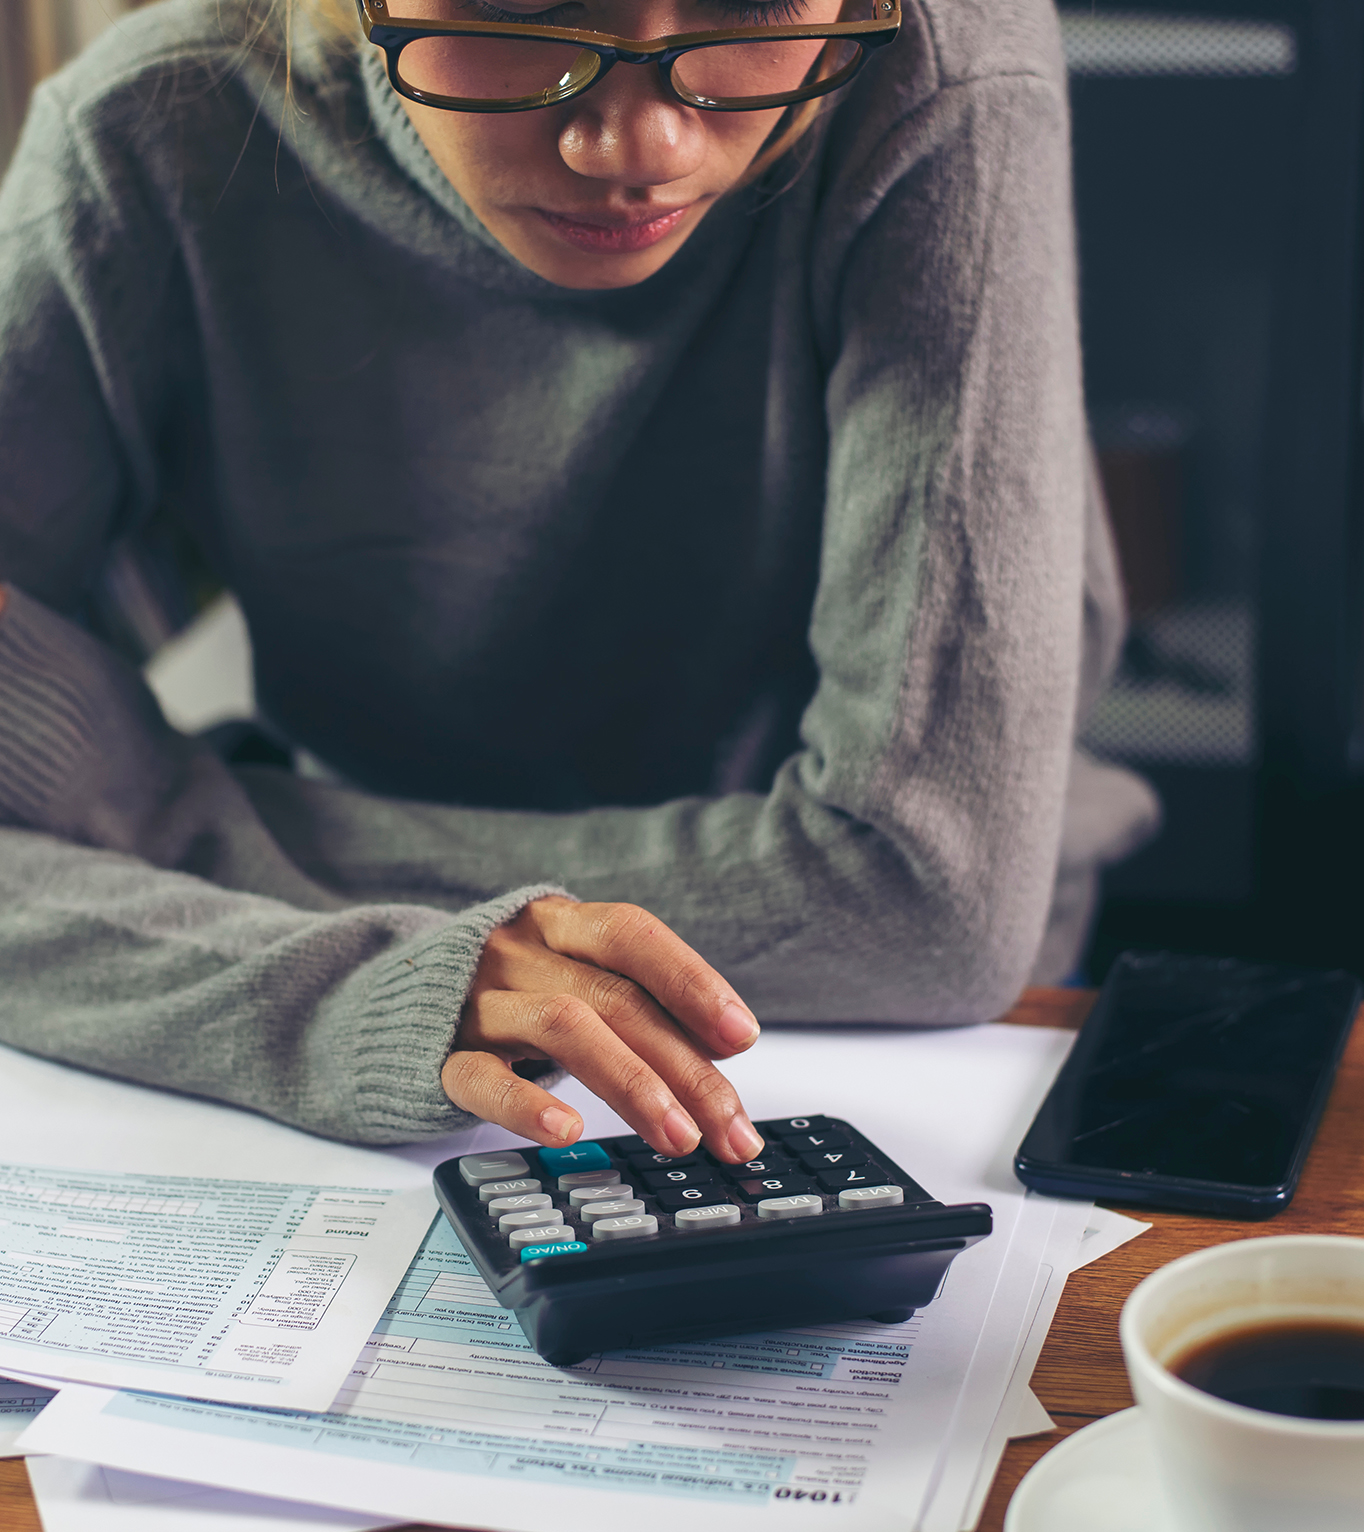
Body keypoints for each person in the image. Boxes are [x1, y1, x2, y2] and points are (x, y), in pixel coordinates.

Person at [0, 0, 1156, 1160]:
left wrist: (170, 819)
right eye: (522, 8)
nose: (641, 148)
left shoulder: (933, 62)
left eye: (748, 5)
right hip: (367, 975)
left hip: (894, 1023)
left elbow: (923, 900)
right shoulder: (152, 124)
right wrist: (345, 987)